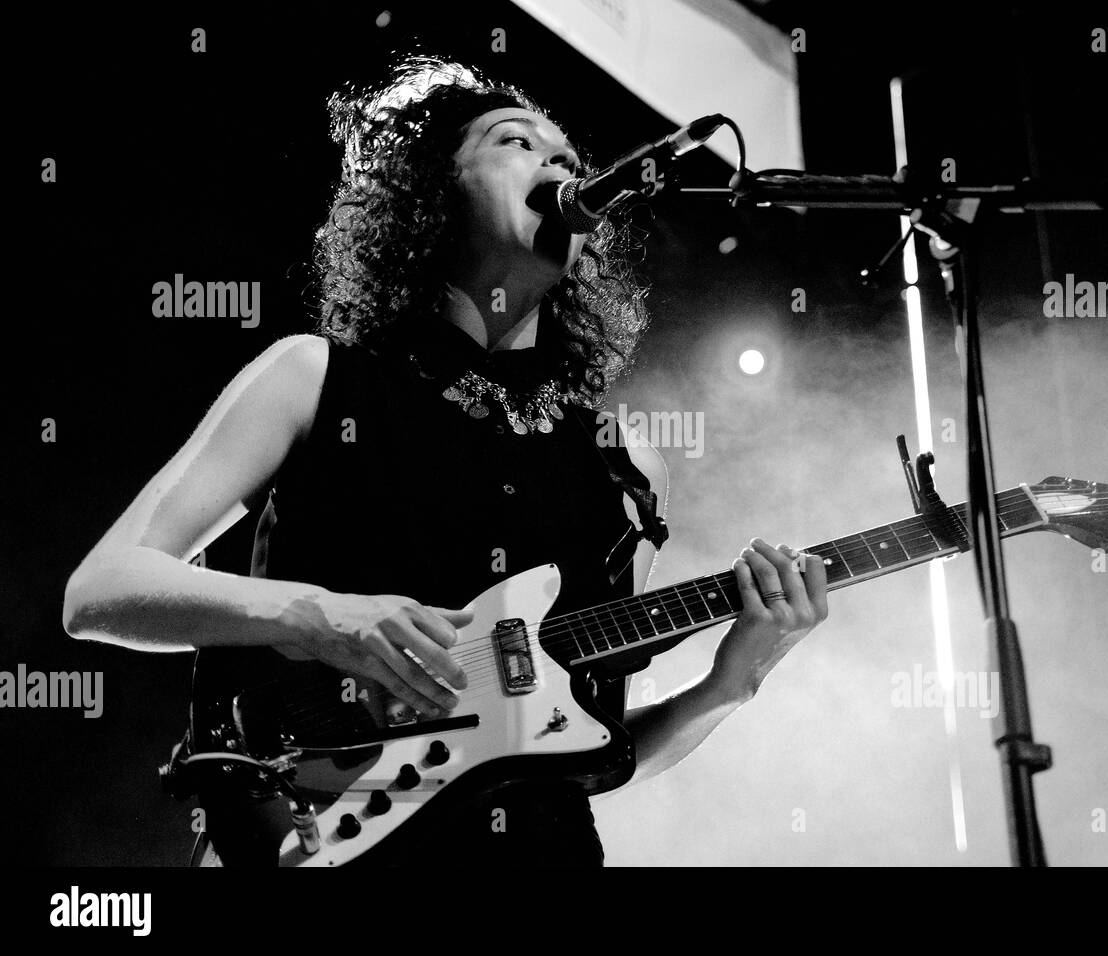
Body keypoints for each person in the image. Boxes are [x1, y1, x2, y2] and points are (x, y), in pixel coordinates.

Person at [61, 55, 828, 867]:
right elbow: (102, 590)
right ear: (430, 196)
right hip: (313, 837)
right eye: (516, 143)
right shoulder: (313, 377)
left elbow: (586, 746)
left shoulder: (625, 464)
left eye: (567, 157)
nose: (560, 165)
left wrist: (728, 685)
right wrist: (320, 616)